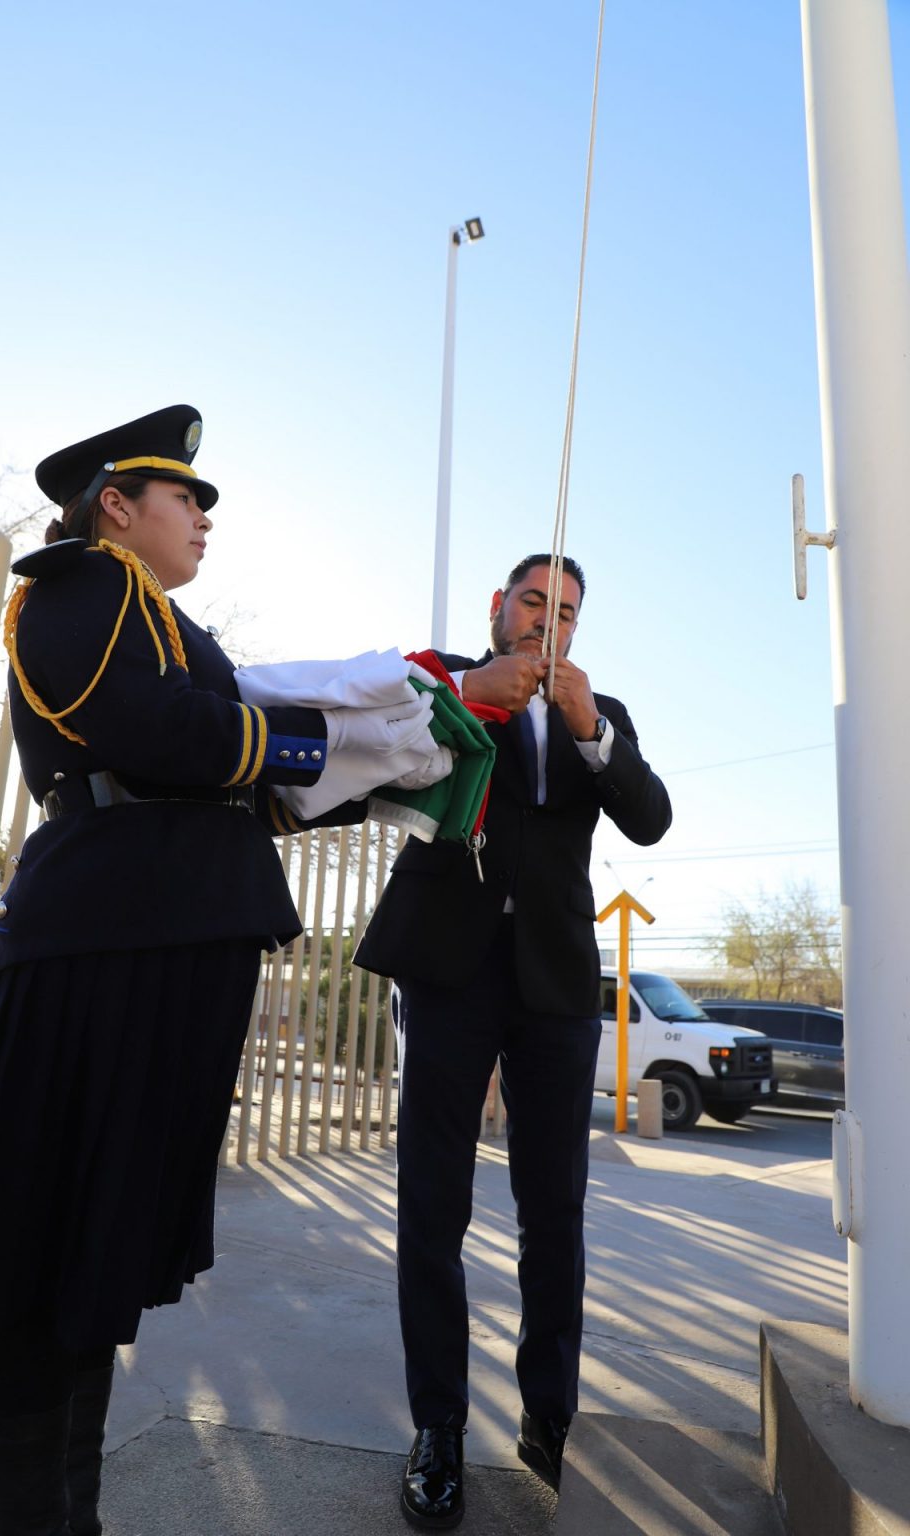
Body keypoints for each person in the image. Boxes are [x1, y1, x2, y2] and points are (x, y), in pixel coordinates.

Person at [0, 404, 382, 1536]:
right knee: (38, 1270)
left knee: (94, 1272)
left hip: (162, 940)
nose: (204, 517)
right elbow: (155, 731)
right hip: (99, 947)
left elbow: (225, 775)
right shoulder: (82, 584)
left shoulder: (164, 619)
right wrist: (325, 736)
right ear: (116, 506)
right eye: (185, 497)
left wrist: (382, 757)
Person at [355, 553, 672, 1528]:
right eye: (534, 602)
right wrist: (473, 695)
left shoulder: (598, 712)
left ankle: (548, 1417)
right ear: (498, 607)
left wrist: (591, 731)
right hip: (446, 969)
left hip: (555, 984)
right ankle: (438, 1428)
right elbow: (377, 758)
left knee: (555, 1210)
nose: (548, 622)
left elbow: (650, 820)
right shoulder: (440, 680)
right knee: (432, 1204)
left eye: (565, 612)